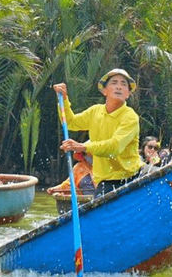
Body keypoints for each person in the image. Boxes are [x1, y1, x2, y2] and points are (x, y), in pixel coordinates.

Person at [53, 68, 143, 198]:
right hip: (106, 180)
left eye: (123, 84)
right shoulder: (95, 111)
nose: (119, 87)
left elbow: (114, 147)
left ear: (128, 94)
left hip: (131, 176)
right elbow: (70, 122)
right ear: (104, 91)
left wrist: (83, 147)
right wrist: (64, 99)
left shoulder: (130, 116)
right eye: (114, 83)